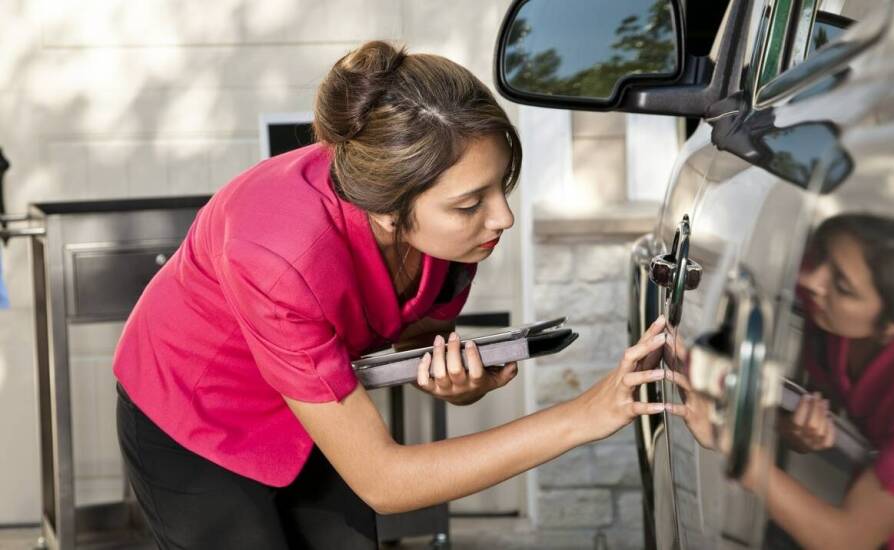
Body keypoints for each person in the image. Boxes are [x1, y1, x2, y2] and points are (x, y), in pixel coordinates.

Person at [113, 40, 669, 550]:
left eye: (501, 185)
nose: (503, 216)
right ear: (385, 209)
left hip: (317, 402)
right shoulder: (280, 255)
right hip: (197, 411)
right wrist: (584, 414)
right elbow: (383, 480)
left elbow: (405, 328)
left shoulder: (450, 237)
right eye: (470, 203)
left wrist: (457, 384)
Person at [672, 214, 894, 550]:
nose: (809, 278)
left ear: (892, 324)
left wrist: (733, 443)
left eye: (843, 287)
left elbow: (847, 539)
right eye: (821, 258)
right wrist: (793, 427)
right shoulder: (832, 312)